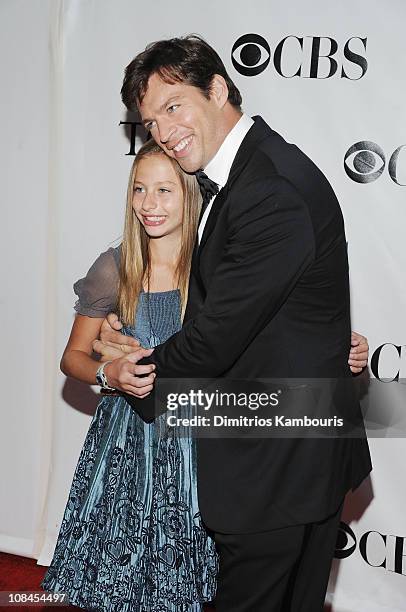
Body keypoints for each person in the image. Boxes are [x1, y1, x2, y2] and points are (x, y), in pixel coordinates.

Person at [95, 36, 372, 612]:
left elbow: (216, 337)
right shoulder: (251, 174)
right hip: (291, 452)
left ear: (218, 88)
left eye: (173, 107)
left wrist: (129, 377)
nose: (164, 132)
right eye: (150, 123)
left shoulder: (267, 188)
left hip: (278, 463)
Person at [41, 139, 218, 611]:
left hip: (198, 442)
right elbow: (73, 357)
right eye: (140, 190)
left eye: (164, 191)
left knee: (186, 583)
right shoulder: (114, 267)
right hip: (125, 445)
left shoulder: (215, 268)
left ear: (190, 194)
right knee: (117, 578)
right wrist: (108, 372)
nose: (149, 204)